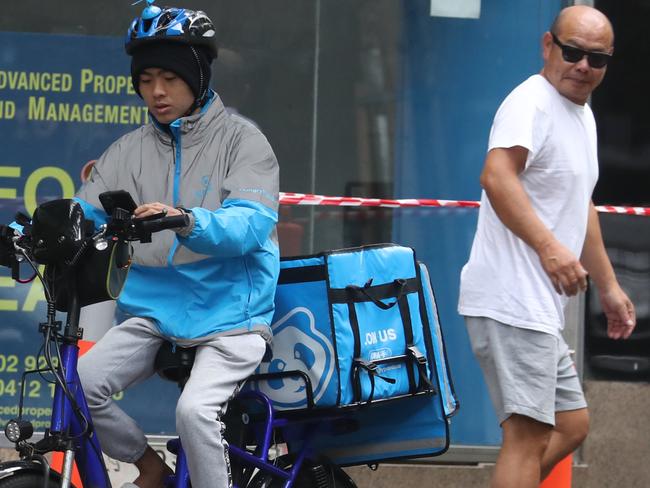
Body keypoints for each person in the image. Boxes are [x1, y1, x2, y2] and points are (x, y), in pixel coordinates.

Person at [76, 4, 280, 488]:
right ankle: (151, 470)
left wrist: (187, 220)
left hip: (231, 314)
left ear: (199, 75)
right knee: (80, 385)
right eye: (146, 80)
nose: (157, 92)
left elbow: (250, 224)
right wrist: (35, 231)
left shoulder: (243, 141)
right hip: (154, 313)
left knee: (194, 412)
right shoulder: (127, 150)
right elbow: (84, 213)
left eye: (169, 77)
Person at [458, 5, 635, 488]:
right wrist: (550, 249)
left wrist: (611, 287)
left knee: (572, 425)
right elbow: (496, 176)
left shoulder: (581, 114)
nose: (582, 66)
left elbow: (582, 206)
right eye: (572, 51)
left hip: (536, 306)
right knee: (527, 436)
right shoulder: (531, 101)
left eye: (595, 59)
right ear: (547, 46)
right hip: (512, 299)